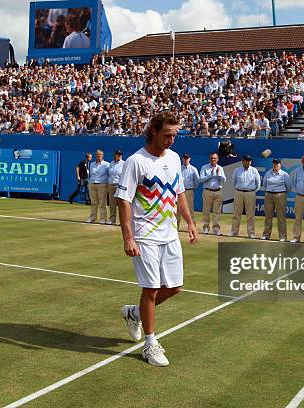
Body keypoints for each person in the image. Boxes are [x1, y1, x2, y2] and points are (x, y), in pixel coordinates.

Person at [115, 111, 198, 367]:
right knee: (150, 289)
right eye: (167, 135)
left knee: (174, 287)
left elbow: (179, 194)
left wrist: (190, 222)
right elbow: (123, 200)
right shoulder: (135, 162)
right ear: (153, 130)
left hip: (169, 233)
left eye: (175, 135)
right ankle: (150, 345)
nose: (172, 140)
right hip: (145, 235)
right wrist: (128, 237)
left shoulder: (173, 159)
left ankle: (135, 313)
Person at [230, 155, 260, 238]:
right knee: (236, 214)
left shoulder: (254, 171)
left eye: (249, 161)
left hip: (250, 193)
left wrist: (252, 191)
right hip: (239, 192)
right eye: (246, 160)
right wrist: (238, 190)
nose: (248, 162)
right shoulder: (237, 170)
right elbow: (233, 182)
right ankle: (234, 232)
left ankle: (251, 233)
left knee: (250, 215)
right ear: (242, 161)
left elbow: (258, 184)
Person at [261, 158, 292, 241]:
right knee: (268, 217)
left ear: (280, 165)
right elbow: (264, 184)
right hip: (269, 195)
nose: (275, 165)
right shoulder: (268, 173)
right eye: (274, 164)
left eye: (277, 164)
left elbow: (289, 187)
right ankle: (266, 235)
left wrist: (281, 193)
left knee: (281, 217)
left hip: (280, 195)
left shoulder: (284, 175)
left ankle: (282, 236)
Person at [200, 152, 226, 235]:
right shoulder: (204, 167)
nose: (213, 160)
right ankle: (206, 228)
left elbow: (224, 179)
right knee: (206, 211)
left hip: (218, 192)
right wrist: (210, 175)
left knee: (217, 212)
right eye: (212, 158)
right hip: (207, 191)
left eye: (215, 158)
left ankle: (216, 229)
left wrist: (218, 174)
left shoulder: (220, 168)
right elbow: (201, 179)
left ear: (217, 159)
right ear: (209, 159)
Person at [179, 153, 200, 230]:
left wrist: (192, 188)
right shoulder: (178, 168)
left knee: (190, 209)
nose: (185, 159)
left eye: (187, 158)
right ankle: (176, 227)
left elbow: (197, 181)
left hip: (188, 190)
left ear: (189, 159)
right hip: (179, 192)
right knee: (177, 210)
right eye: (184, 158)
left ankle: (192, 227)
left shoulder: (193, 169)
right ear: (182, 159)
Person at [87, 150, 109, 223]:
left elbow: (109, 175)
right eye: (97, 154)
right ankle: (92, 218)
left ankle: (103, 219)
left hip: (102, 185)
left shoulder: (107, 165)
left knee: (102, 203)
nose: (98, 156)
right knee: (93, 202)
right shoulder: (92, 164)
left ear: (102, 155)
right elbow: (91, 174)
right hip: (92, 184)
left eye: (100, 154)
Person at [106, 150, 124, 225]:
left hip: (119, 185)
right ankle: (112, 220)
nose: (119, 155)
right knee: (112, 203)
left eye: (120, 154)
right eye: (117, 154)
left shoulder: (124, 163)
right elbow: (109, 173)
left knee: (120, 204)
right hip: (111, 184)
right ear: (115, 155)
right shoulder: (111, 163)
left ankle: (122, 221)